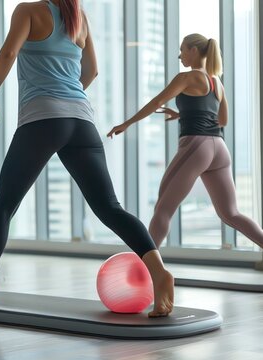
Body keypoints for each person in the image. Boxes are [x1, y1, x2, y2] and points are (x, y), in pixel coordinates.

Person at [0, 0, 174, 317]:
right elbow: (92, 71)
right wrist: (69, 92)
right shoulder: (79, 18)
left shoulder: (28, 11)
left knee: (5, 205)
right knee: (109, 207)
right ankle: (158, 270)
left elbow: (7, 53)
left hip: (42, 118)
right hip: (82, 120)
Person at [108, 33, 263, 249]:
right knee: (231, 213)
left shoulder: (187, 78)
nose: (180, 56)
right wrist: (183, 114)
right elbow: (222, 120)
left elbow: (157, 101)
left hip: (197, 147)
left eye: (182, 50)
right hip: (219, 150)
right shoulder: (216, 82)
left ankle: (145, 270)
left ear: (193, 50)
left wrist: (127, 123)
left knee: (163, 209)